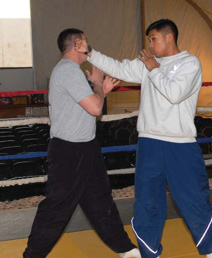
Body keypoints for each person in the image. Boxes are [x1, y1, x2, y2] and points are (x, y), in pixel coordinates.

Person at [80, 19, 212, 258]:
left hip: (180, 144)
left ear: (169, 37)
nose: (150, 45)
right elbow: (118, 67)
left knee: (193, 199)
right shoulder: (147, 64)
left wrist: (154, 67)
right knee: (147, 202)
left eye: (154, 39)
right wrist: (90, 52)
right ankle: (149, 252)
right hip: (149, 142)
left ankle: (210, 252)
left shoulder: (189, 63)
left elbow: (174, 94)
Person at [23, 28, 141, 258]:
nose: (89, 45)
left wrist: (102, 90)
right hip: (70, 151)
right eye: (86, 41)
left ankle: (125, 248)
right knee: (57, 207)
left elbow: (91, 106)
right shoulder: (68, 71)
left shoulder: (71, 71)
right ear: (77, 43)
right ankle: (32, 255)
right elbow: (96, 108)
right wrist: (98, 85)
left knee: (100, 201)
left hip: (86, 147)